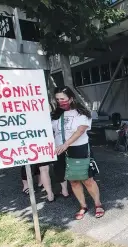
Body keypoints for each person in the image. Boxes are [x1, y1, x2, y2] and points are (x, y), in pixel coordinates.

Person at [51, 86, 104, 220]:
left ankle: (98, 204)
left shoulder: (82, 113)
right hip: (60, 150)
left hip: (78, 149)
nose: (60, 101)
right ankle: (83, 206)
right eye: (57, 99)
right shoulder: (55, 115)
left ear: (71, 98)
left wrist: (66, 145)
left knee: (87, 180)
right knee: (73, 181)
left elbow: (80, 131)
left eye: (63, 98)